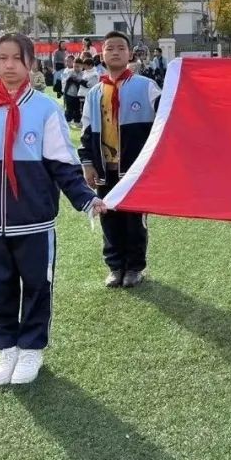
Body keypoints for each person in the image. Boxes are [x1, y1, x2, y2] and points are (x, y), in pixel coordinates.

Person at [0, 32, 106, 386]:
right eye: (2, 59)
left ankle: (31, 348)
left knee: (37, 284)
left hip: (35, 220)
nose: (9, 66)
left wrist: (86, 198)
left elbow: (62, 163)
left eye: (17, 59)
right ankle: (6, 347)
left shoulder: (44, 108)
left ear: (31, 64)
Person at [80, 31, 161, 289]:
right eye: (109, 48)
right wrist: (87, 164)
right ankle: (115, 267)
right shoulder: (94, 93)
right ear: (101, 54)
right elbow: (85, 131)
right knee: (109, 217)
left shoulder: (146, 86)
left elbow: (165, 119)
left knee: (134, 220)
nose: (115, 52)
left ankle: (134, 267)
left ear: (129, 54)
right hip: (105, 169)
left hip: (135, 170)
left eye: (120, 48)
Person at [62, 61, 85, 127]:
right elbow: (65, 80)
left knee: (77, 109)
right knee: (69, 109)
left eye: (78, 67)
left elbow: (83, 82)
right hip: (69, 94)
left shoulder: (83, 73)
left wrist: (78, 80)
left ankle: (77, 121)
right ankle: (67, 121)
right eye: (74, 66)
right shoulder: (70, 72)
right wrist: (71, 79)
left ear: (82, 67)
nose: (75, 68)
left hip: (78, 95)